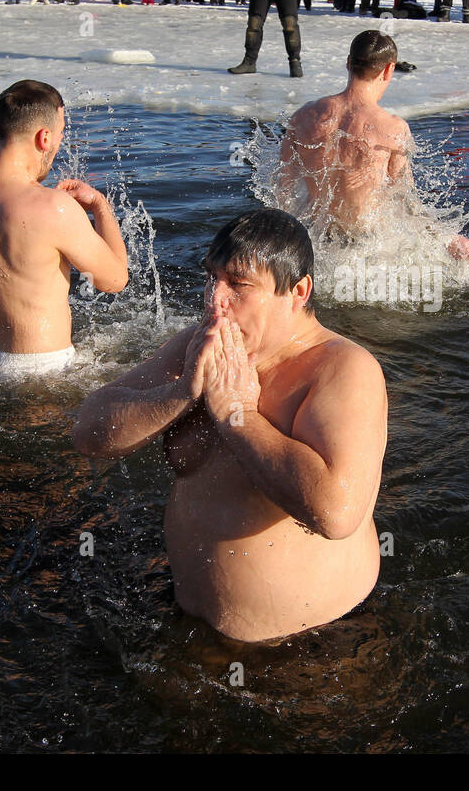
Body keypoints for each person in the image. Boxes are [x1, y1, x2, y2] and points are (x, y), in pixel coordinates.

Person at [72, 208, 387, 643]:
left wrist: (238, 417)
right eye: (212, 279)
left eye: (238, 285)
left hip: (317, 647)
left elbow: (335, 513)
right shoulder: (202, 343)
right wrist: (179, 394)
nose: (214, 299)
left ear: (297, 291)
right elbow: (88, 431)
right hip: (193, 630)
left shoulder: (343, 368)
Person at [0, 80, 128, 377]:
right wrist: (100, 206)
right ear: (44, 137)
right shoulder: (54, 207)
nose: (59, 143)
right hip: (44, 370)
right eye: (61, 132)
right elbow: (115, 280)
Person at [277, 31, 469, 259]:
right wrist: (447, 237)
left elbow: (283, 189)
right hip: (366, 248)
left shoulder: (302, 116)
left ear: (348, 63)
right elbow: (406, 199)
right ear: (388, 69)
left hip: (318, 241)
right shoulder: (392, 128)